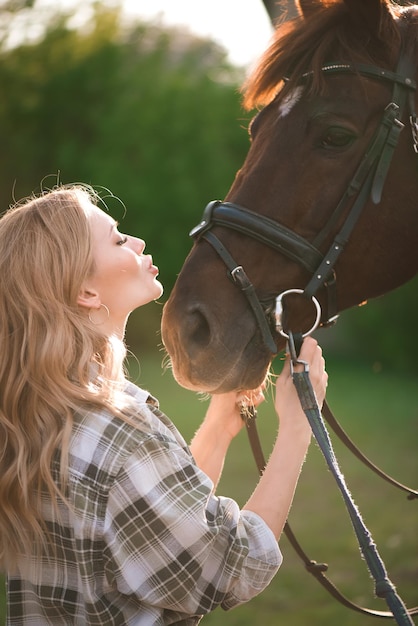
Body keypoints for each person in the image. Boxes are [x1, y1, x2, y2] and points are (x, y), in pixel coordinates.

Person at [0, 184, 327, 625]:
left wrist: (218, 428)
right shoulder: (121, 429)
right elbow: (230, 565)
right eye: (118, 240)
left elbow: (153, 529)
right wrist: (297, 425)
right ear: (86, 293)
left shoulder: (37, 416)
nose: (137, 243)